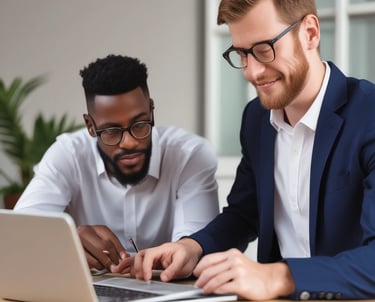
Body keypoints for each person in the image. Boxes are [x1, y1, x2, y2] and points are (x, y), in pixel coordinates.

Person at [133, 0, 375, 300]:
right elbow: (244, 214)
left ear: (310, 33)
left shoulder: (369, 115)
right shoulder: (256, 119)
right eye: (242, 54)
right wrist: (191, 248)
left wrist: (278, 276)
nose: (252, 72)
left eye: (263, 50)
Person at [14, 54, 220, 275]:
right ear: (90, 126)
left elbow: (198, 241)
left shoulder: (190, 155)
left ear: (151, 110)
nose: (129, 142)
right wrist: (66, 238)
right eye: (112, 131)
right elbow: (20, 232)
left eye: (140, 124)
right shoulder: (68, 154)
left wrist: (181, 251)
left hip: (167, 287)